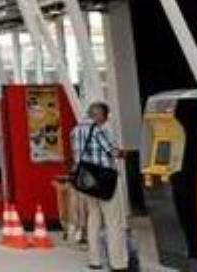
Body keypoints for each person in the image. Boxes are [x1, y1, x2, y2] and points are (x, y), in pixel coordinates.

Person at [71, 101, 128, 272]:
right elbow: (112, 152)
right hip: (105, 179)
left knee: (93, 217)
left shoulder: (75, 130)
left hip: (87, 180)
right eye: (105, 116)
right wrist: (124, 153)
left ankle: (94, 260)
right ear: (101, 115)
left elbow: (76, 153)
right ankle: (118, 263)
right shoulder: (97, 130)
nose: (105, 120)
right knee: (113, 221)